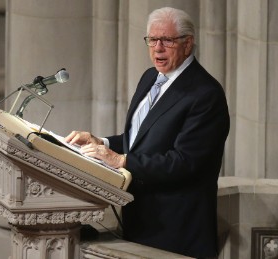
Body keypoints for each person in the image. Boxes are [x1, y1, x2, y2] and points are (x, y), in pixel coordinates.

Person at [64, 7, 229, 258]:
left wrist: (121, 161)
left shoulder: (205, 94)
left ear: (188, 44)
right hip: (138, 220)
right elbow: (140, 141)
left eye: (167, 40)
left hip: (175, 230)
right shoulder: (150, 77)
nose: (158, 48)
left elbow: (184, 162)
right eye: (152, 40)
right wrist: (103, 142)